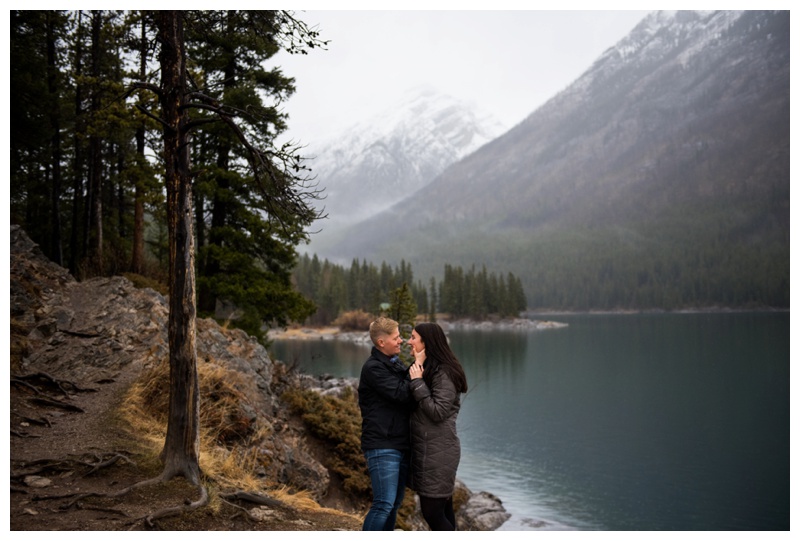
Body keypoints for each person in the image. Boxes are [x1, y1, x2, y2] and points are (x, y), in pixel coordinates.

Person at [407, 322, 469, 531]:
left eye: (414, 337)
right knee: (444, 510)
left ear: (427, 342)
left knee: (432, 512)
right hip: (430, 450)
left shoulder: (444, 372)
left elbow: (438, 412)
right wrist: (419, 365)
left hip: (438, 453)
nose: (409, 341)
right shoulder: (431, 369)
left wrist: (417, 382)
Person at [357, 317, 416, 530]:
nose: (400, 340)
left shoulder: (393, 363)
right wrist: (418, 365)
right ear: (381, 342)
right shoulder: (374, 368)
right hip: (382, 445)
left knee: (393, 505)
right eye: (396, 337)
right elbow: (402, 393)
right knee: (383, 504)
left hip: (399, 444)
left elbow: (407, 385)